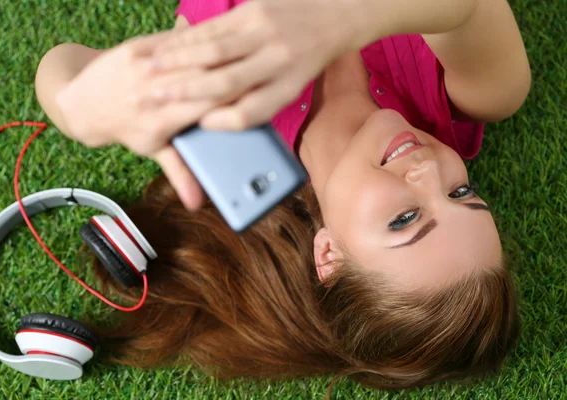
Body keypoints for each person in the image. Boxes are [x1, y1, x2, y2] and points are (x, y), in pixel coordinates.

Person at [34, 0, 530, 391]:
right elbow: (465, 6)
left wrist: (77, 108)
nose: (427, 171)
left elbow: (64, 66)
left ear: (329, 253)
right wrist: (340, 19)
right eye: (461, 191)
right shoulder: (485, 93)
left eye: (405, 219)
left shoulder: (225, 129)